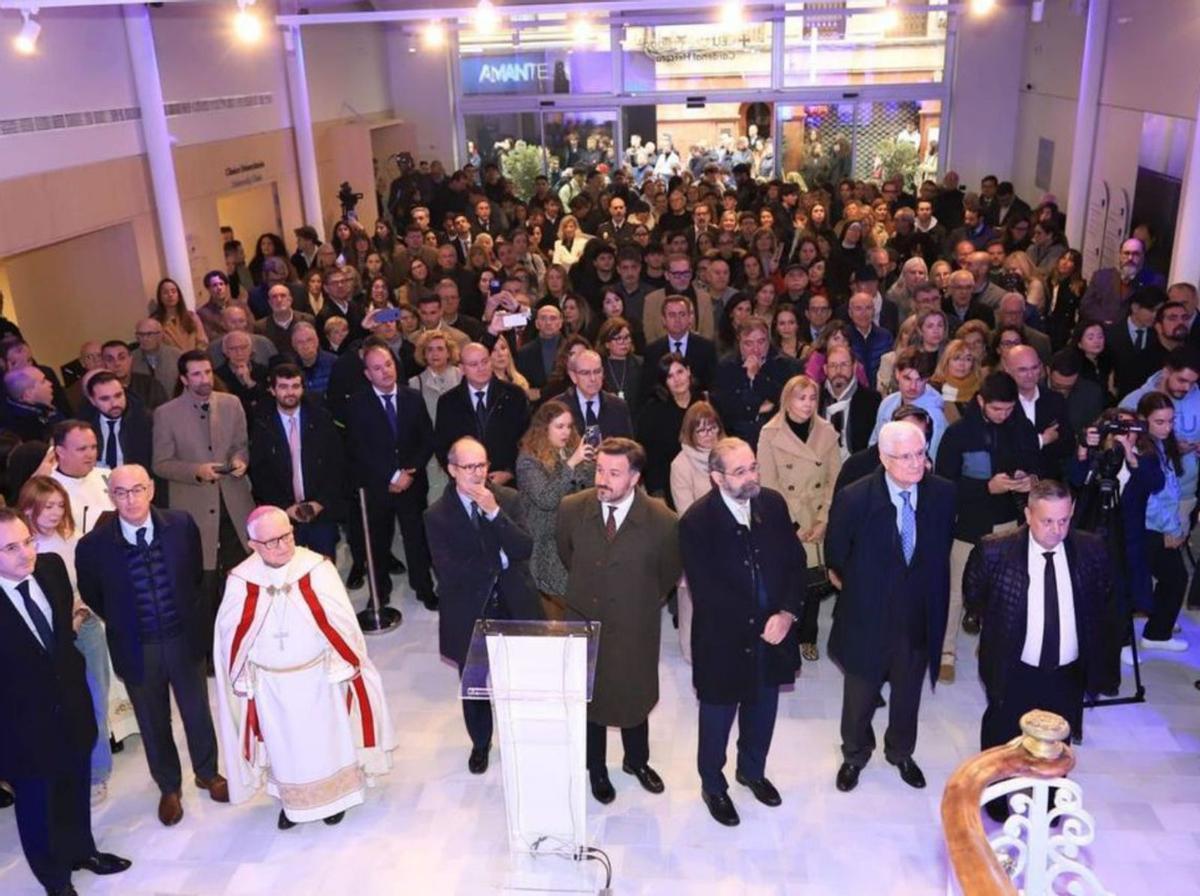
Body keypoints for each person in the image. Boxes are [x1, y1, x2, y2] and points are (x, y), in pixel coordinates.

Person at [214, 506, 393, 830]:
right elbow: (231, 634)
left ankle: (336, 798)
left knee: (326, 742)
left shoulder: (316, 567)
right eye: (271, 541)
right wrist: (245, 674)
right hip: (272, 685)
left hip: (318, 679)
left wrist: (340, 662)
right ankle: (293, 803)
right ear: (253, 544)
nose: (283, 546)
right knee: (285, 748)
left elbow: (341, 621)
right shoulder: (241, 580)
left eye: (287, 536)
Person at [75, 464, 228, 826]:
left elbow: (194, 577)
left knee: (197, 711)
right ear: (111, 497)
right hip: (136, 646)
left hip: (182, 638)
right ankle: (169, 787)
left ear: (151, 490)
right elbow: (96, 596)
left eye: (137, 490)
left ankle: (208, 773)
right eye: (121, 493)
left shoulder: (181, 525)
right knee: (152, 720)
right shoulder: (93, 546)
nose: (130, 500)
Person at [963, 480, 1113, 822]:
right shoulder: (995, 550)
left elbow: (1102, 599)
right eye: (1047, 521)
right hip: (1013, 667)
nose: (1056, 530)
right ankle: (997, 802)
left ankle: (1050, 807)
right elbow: (975, 596)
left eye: (1064, 520)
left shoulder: (1091, 550)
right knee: (1002, 736)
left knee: (1057, 743)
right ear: (1028, 514)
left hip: (1066, 671)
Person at [0, 508, 131, 896]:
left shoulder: (52, 569)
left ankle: (82, 851)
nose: (26, 554)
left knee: (76, 786)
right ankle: (56, 882)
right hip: (21, 727)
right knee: (38, 809)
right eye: (10, 548)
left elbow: (61, 636)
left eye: (28, 541)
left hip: (72, 707)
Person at [824, 420, 956, 793]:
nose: (916, 464)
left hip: (918, 618)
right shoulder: (854, 498)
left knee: (908, 695)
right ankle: (855, 754)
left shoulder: (943, 493)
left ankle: (901, 752)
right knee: (860, 696)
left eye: (920, 453)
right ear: (883, 458)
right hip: (868, 617)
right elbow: (836, 554)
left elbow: (940, 549)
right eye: (905, 457)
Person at [680, 437, 804, 827]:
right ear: (717, 478)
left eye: (753, 467)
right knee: (717, 718)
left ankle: (752, 771)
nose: (751, 477)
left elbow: (795, 563)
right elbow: (708, 594)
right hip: (724, 642)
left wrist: (787, 613)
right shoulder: (697, 522)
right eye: (740, 471)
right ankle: (713, 786)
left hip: (773, 634)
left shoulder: (773, 504)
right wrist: (757, 624)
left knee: (763, 710)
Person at [555, 437, 681, 804]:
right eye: (599, 470)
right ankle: (595, 768)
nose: (603, 480)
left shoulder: (663, 520)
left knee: (634, 694)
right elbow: (567, 554)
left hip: (634, 623)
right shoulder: (572, 509)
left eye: (614, 473)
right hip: (584, 620)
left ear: (635, 478)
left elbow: (668, 573)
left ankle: (636, 761)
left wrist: (637, 599)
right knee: (589, 698)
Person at [425, 437, 542, 773]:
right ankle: (480, 743)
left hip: (513, 602)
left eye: (482, 465)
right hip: (470, 610)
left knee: (521, 678)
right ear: (451, 470)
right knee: (475, 684)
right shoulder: (437, 515)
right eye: (469, 467)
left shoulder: (507, 499)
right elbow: (449, 571)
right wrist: (497, 561)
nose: (478, 473)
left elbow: (523, 548)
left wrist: (494, 514)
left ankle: (524, 735)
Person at [934, 372, 1040, 682]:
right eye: (996, 409)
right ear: (980, 401)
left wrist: (1029, 480)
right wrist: (985, 488)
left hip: (1009, 520)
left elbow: (1038, 467)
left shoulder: (1022, 429)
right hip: (967, 524)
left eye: (1009, 409)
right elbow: (943, 486)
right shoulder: (958, 434)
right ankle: (946, 652)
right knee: (956, 591)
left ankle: (991, 646)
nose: (1003, 415)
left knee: (1001, 591)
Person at [152, 351, 253, 643]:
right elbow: (161, 464)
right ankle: (209, 649)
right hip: (195, 511)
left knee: (241, 578)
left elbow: (241, 445)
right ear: (184, 379)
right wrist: (197, 471)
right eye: (196, 374)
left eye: (207, 372)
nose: (204, 379)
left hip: (234, 505)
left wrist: (240, 461)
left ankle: (246, 641)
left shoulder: (232, 403)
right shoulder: (166, 413)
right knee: (205, 586)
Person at [344, 343, 438, 610]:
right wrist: (392, 475)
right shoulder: (357, 404)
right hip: (377, 486)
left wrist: (410, 471)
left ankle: (424, 588)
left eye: (388, 364)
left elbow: (427, 440)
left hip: (412, 484)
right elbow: (358, 448)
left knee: (417, 539)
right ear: (367, 374)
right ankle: (380, 592)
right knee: (378, 541)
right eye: (377, 368)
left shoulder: (413, 397)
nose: (385, 371)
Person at [757, 375, 842, 662]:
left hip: (817, 515)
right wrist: (791, 524)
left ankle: (809, 636)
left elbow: (835, 479)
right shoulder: (769, 433)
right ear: (787, 400)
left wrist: (823, 519)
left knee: (813, 583)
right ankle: (786, 635)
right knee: (787, 580)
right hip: (784, 518)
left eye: (812, 398)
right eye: (801, 398)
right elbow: (767, 484)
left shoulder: (827, 431)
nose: (807, 404)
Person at [248, 364, 346, 559]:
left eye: (295, 386)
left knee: (323, 568)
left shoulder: (321, 418)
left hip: (320, 511)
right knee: (289, 570)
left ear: (302, 388)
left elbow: (336, 465)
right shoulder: (262, 423)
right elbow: (260, 473)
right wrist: (285, 507)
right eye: (283, 387)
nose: (290, 392)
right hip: (281, 515)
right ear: (272, 390)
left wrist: (320, 502)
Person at [515, 401, 594, 618]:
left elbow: (590, 487)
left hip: (574, 537)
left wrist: (592, 463)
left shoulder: (570, 450)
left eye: (569, 426)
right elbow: (546, 499)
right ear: (544, 428)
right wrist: (571, 464)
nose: (566, 432)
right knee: (556, 608)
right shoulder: (528, 461)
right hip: (545, 543)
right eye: (560, 426)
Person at [670, 402, 724, 662]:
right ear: (690, 432)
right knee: (692, 602)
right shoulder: (680, 464)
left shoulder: (729, 454)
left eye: (712, 427)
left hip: (730, 540)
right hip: (698, 543)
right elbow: (686, 512)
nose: (708, 434)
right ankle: (692, 652)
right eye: (701, 430)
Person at [433, 342, 529, 485]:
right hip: (465, 484)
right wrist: (463, 475)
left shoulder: (514, 395)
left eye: (485, 362)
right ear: (462, 369)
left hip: (509, 483)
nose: (481, 368)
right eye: (473, 364)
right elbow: (443, 446)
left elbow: (527, 438)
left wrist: (510, 471)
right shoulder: (448, 402)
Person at [1079, 237, 1165, 326]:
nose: (1130, 258)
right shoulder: (1101, 276)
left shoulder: (1154, 281)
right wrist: (1106, 320)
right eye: (1126, 253)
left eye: (1136, 254)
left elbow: (1157, 312)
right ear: (1120, 256)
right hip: (1103, 330)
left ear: (1143, 256)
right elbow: (1086, 305)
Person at [47, 421, 113, 536]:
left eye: (93, 447)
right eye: (82, 449)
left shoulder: (109, 476)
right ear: (60, 451)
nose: (90, 454)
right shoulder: (46, 486)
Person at [80, 371, 154, 473]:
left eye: (118, 396)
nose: (114, 404)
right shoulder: (83, 424)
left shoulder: (146, 421)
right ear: (92, 401)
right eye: (105, 399)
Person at [818, 344, 882, 459]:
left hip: (856, 465)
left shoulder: (872, 401)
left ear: (854, 366)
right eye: (833, 366)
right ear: (825, 369)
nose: (838, 371)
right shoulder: (815, 397)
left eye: (844, 364)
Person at [557, 348, 634, 439]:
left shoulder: (618, 407)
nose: (593, 378)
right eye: (585, 373)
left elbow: (627, 445)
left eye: (597, 372)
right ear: (573, 376)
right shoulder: (558, 406)